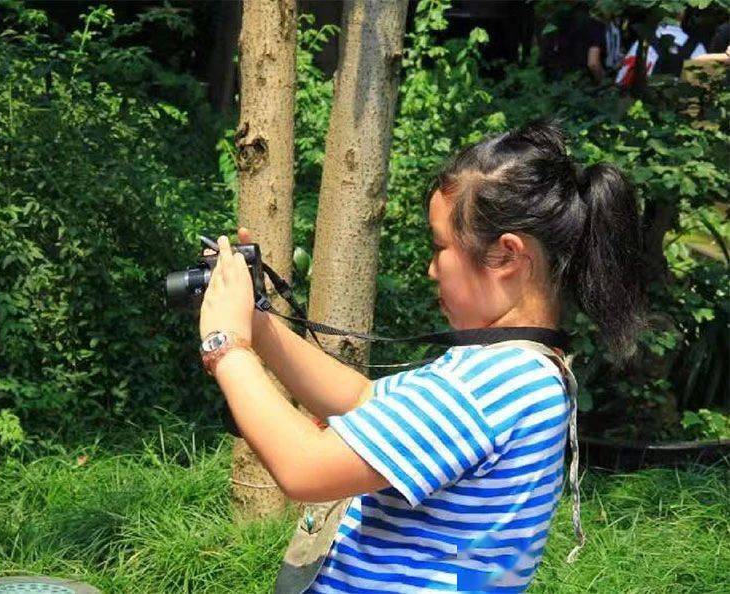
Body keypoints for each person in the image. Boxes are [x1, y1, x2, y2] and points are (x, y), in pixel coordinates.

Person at [197, 121, 646, 592]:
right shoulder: (518, 369)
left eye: (440, 248)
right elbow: (362, 397)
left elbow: (303, 467)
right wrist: (257, 321)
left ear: (508, 255)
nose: (431, 269)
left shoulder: (487, 385)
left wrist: (226, 346)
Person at [616, 18, 707, 88]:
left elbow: (622, 81)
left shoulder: (643, 42)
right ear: (682, 12)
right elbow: (702, 90)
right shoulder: (697, 48)